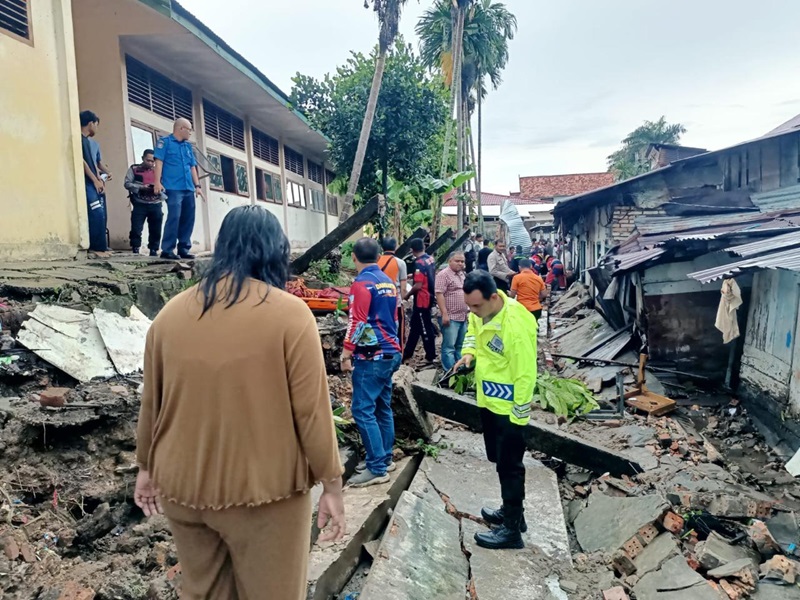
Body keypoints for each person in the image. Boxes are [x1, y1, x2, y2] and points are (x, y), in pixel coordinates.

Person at [134, 206, 345, 599]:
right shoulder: (290, 316)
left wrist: (145, 466)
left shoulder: (169, 315)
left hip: (181, 488)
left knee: (205, 593)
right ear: (275, 251)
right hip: (263, 494)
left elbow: (153, 402)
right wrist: (332, 485)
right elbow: (312, 413)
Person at [454, 271, 537, 550]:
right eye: (470, 307)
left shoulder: (515, 323)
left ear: (493, 297)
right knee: (501, 464)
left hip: (510, 411)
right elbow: (472, 336)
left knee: (510, 467)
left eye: (477, 306)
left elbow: (526, 375)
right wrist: (469, 355)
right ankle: (513, 513)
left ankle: (512, 531)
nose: (473, 313)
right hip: (489, 402)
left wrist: (519, 418)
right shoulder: (479, 313)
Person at [342, 238, 403, 487]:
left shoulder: (361, 284)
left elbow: (357, 322)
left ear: (354, 257)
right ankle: (385, 458)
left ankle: (377, 468)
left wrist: (346, 353)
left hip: (372, 355)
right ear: (378, 257)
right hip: (390, 351)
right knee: (381, 407)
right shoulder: (387, 282)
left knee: (362, 409)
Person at [154, 118, 204, 260]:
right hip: (173, 187)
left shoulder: (188, 147)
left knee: (188, 218)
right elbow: (159, 163)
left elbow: (192, 167)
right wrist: (157, 182)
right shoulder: (165, 142)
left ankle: (183, 248)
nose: (190, 132)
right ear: (181, 128)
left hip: (188, 188)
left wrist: (197, 186)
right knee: (174, 217)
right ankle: (167, 249)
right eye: (189, 129)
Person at [80, 111, 110, 257]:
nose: (97, 129)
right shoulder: (79, 139)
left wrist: (100, 179)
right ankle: (96, 249)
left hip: (93, 183)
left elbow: (94, 164)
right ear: (91, 123)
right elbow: (83, 163)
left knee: (101, 214)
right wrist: (94, 180)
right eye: (96, 125)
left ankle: (102, 248)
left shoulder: (87, 141)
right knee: (96, 213)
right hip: (87, 183)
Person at [402, 238, 437, 364]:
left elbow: (417, 285)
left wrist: (407, 295)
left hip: (422, 299)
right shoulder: (429, 259)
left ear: (411, 250)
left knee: (424, 327)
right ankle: (407, 353)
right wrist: (412, 275)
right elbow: (427, 274)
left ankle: (430, 355)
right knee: (415, 327)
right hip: (430, 296)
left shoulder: (419, 263)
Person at [124, 150, 165, 257]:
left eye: (153, 161)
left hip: (155, 203)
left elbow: (165, 185)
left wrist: (158, 187)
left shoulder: (158, 171)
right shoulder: (134, 169)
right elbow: (127, 183)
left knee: (156, 229)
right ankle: (135, 248)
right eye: (148, 160)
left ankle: (153, 249)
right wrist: (141, 187)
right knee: (136, 228)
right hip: (139, 203)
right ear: (142, 158)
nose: (151, 163)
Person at [435, 252, 469, 371]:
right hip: (450, 317)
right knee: (449, 347)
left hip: (462, 316)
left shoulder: (461, 274)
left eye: (462, 261)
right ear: (450, 261)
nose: (460, 263)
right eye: (457, 261)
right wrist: (444, 314)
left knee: (460, 346)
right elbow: (439, 294)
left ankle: (460, 370)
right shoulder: (443, 275)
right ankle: (449, 373)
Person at [377, 237, 408, 345]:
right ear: (395, 247)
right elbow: (403, 288)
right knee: (397, 331)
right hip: (395, 302)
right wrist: (405, 299)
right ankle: (398, 355)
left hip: (378, 301)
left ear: (382, 247)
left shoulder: (375, 262)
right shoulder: (400, 263)